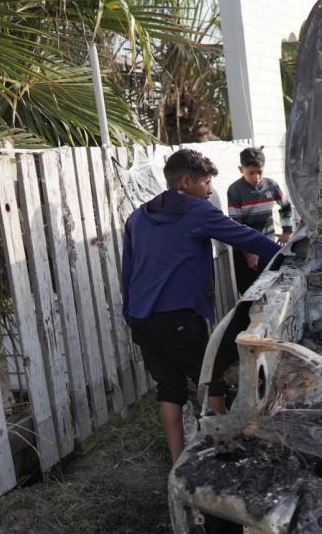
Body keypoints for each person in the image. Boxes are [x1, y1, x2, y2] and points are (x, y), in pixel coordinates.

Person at [121, 149, 282, 461]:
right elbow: (246, 238)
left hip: (141, 318)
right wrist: (288, 254)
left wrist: (129, 312)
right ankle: (224, 452)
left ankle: (177, 460)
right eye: (207, 183)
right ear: (186, 181)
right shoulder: (198, 211)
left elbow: (127, 271)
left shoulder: (137, 217)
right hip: (179, 315)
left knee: (168, 389)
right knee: (211, 381)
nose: (210, 191)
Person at [226, 147, 292, 295]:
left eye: (259, 172)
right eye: (251, 173)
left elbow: (286, 207)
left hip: (266, 244)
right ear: (240, 169)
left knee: (270, 289)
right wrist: (249, 253)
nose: (256, 177)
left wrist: (286, 231)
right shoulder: (235, 191)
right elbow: (236, 225)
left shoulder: (271, 185)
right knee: (250, 293)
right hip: (245, 250)